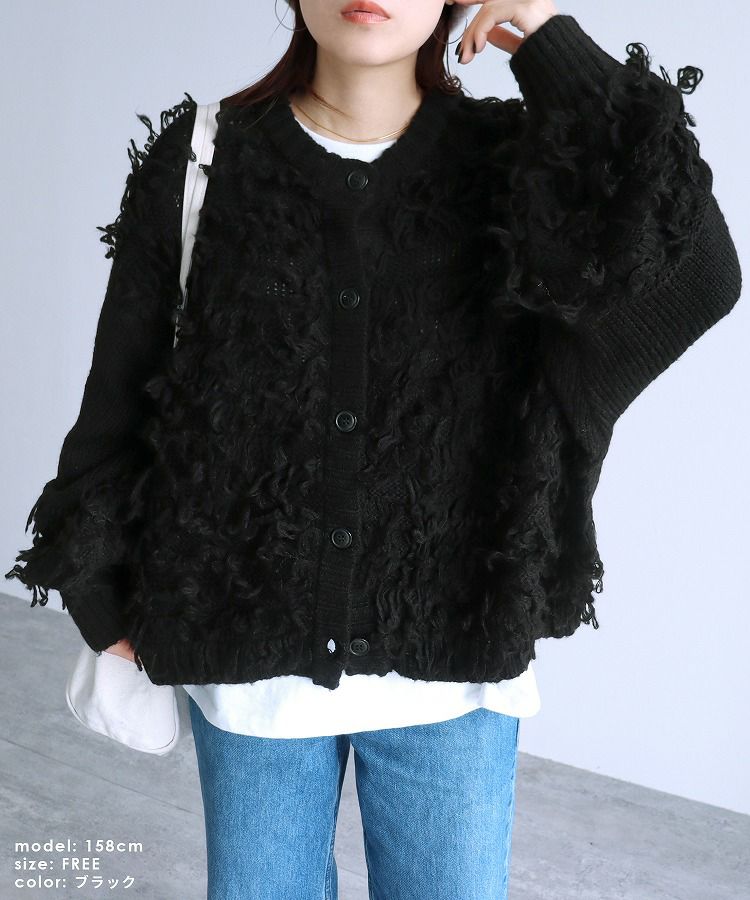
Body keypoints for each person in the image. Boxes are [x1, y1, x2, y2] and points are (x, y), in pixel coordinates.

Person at [5, 1, 742, 898]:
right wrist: (100, 595)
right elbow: (119, 397)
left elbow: (697, 273)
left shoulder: (517, 167)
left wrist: (554, 47)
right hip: (253, 677)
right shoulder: (204, 158)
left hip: (454, 682)